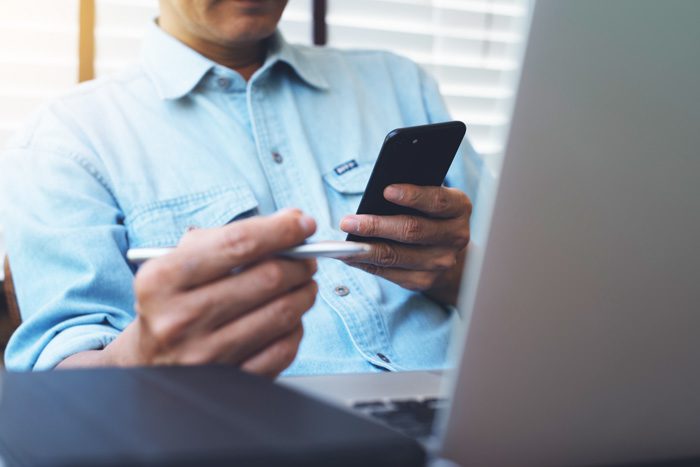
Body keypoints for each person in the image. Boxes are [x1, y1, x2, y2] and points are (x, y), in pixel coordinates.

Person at [0, 0, 481, 376]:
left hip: (470, 416)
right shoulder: (65, 139)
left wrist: (456, 275)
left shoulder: (400, 83)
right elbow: (57, 386)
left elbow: (530, 297)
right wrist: (139, 362)